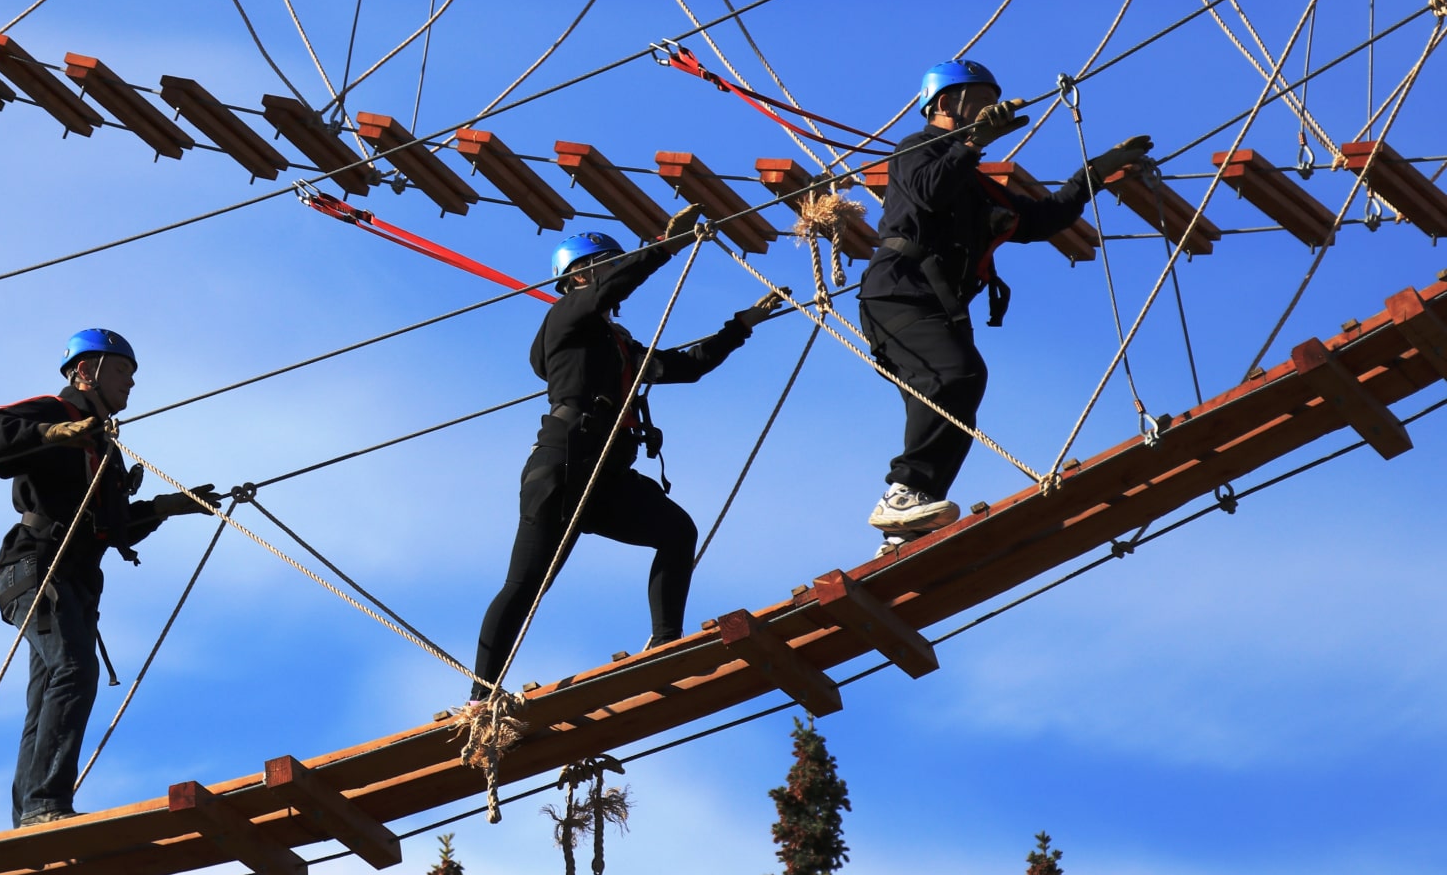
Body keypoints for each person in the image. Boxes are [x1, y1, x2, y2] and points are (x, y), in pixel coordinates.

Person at [469, 206, 792, 702]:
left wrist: (742, 323)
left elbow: (685, 367)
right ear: (580, 274)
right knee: (527, 584)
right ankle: (481, 694)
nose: (614, 274)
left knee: (676, 531)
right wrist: (665, 247)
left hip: (606, 477)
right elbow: (613, 288)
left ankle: (666, 642)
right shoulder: (566, 316)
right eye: (607, 265)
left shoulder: (619, 346)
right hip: (564, 465)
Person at [859, 59, 1153, 555]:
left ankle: (907, 519)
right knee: (956, 377)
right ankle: (904, 493)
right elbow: (930, 193)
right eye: (976, 102)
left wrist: (1093, 174)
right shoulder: (914, 151)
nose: (987, 111)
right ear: (944, 105)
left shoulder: (975, 182)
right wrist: (972, 144)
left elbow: (1038, 220)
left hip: (936, 305)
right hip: (897, 294)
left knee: (953, 395)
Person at [0, 329, 220, 826]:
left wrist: (166, 508)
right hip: (36, 566)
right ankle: (44, 804)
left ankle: (30, 813)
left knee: (47, 693)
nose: (131, 383)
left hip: (75, 577)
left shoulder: (103, 445)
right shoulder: (55, 412)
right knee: (73, 670)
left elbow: (107, 527)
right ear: (86, 371)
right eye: (123, 370)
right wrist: (47, 435)